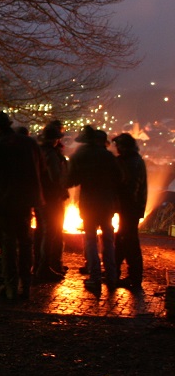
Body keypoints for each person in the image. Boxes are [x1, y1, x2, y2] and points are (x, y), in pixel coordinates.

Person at [0, 111, 44, 300]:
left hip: (4, 203)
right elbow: (42, 169)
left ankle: (10, 287)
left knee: (8, 245)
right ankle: (27, 285)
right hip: (26, 201)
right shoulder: (30, 143)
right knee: (25, 243)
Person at [67, 125, 122, 292]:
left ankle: (95, 277)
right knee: (108, 239)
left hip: (89, 203)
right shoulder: (108, 156)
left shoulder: (81, 156)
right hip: (106, 203)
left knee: (91, 240)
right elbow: (119, 178)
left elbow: (70, 180)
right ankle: (112, 277)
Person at [33, 120, 69, 282]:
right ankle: (44, 268)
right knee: (51, 232)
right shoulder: (52, 155)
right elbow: (56, 177)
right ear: (55, 139)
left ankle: (38, 264)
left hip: (40, 197)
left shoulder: (38, 151)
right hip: (52, 198)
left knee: (41, 231)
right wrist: (63, 189)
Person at [112, 133, 147, 291]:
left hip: (130, 208)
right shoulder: (134, 160)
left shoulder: (131, 162)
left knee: (129, 241)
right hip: (132, 207)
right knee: (122, 238)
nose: (117, 148)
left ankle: (134, 278)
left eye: (118, 145)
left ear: (124, 146)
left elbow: (130, 186)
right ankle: (120, 273)